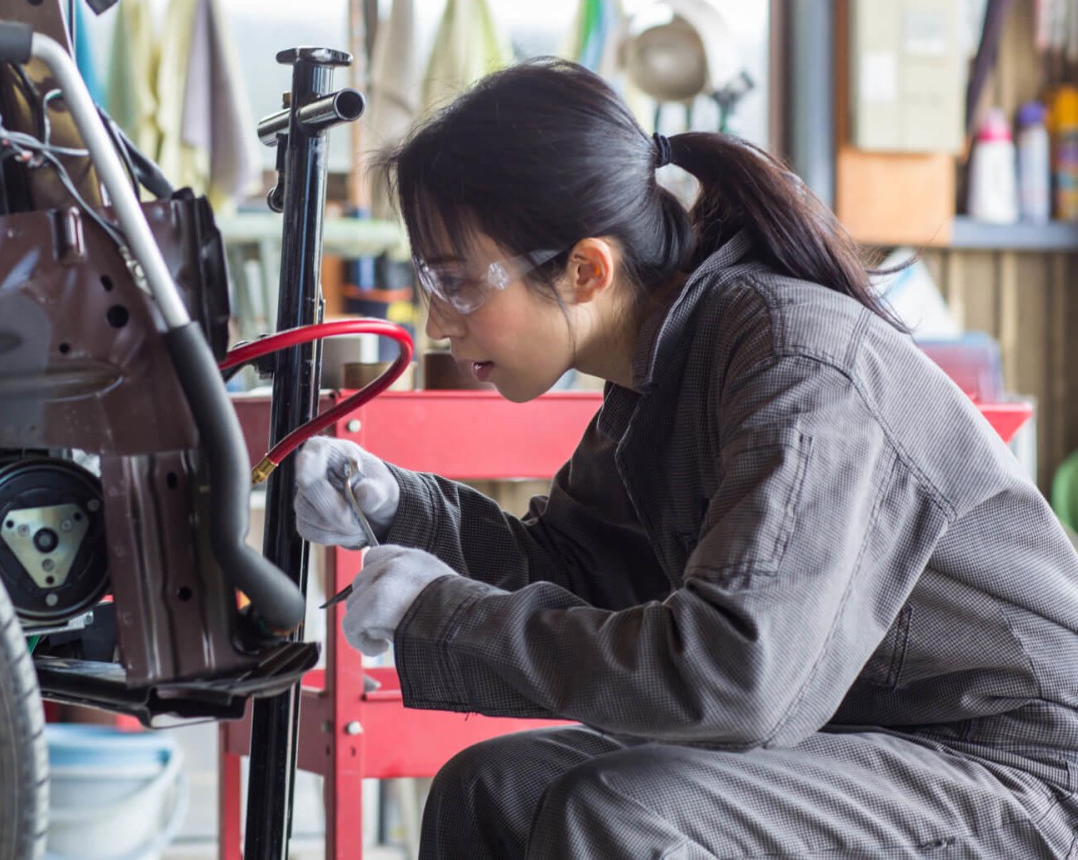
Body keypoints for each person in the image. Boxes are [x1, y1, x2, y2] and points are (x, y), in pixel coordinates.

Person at [294, 58, 1078, 858]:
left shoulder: (797, 365)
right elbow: (574, 568)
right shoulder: (662, 369)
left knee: (617, 810)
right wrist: (399, 508)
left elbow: (733, 677)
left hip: (1019, 767)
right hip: (868, 737)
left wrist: (449, 613)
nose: (437, 324)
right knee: (492, 788)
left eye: (456, 283)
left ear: (585, 269)